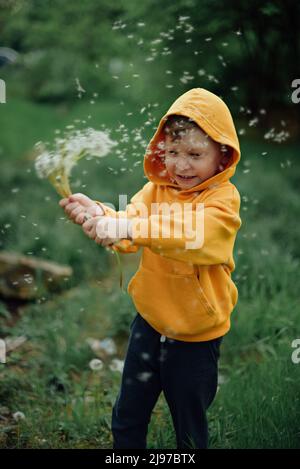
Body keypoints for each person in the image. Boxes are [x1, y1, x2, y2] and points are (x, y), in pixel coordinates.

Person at [59, 88, 242, 449]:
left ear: (222, 155)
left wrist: (127, 227)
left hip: (195, 335)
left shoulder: (221, 200)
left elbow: (197, 237)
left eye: (195, 154)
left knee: (188, 430)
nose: (181, 165)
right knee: (127, 417)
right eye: (173, 153)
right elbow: (129, 230)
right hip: (149, 323)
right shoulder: (155, 190)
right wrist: (100, 215)